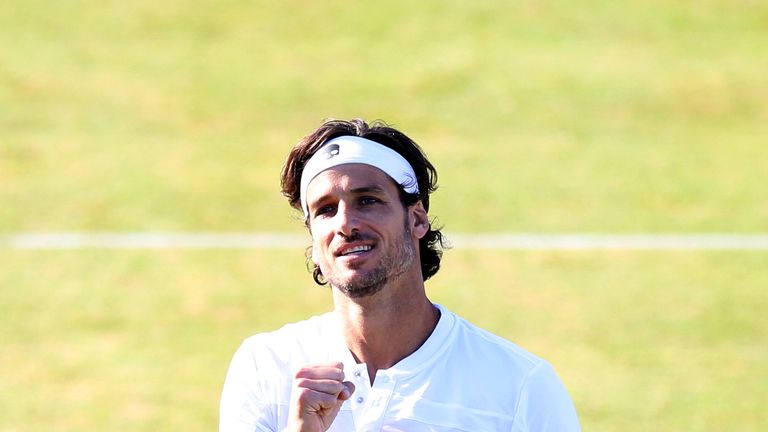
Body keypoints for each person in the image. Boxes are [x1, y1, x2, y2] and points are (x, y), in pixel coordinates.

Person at [219, 118, 581, 432]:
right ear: (312, 237)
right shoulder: (265, 367)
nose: (345, 224)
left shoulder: (520, 386)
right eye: (326, 210)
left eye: (368, 200)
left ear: (417, 218)